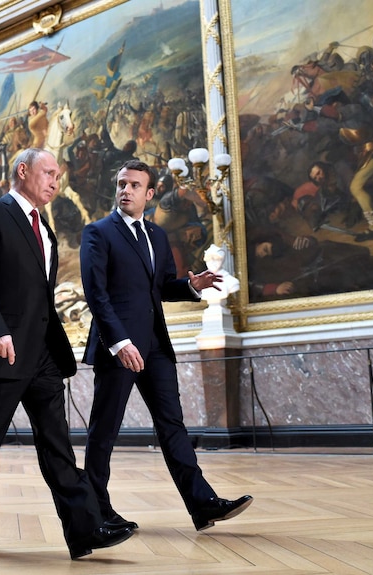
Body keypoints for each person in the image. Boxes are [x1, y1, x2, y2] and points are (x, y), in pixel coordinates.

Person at [0, 148, 134, 560]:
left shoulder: (46, 231)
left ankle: (85, 530)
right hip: (2, 352)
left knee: (58, 445)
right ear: (23, 171)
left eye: (58, 174)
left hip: (43, 356)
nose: (55, 180)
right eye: (48, 172)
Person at [80, 159, 253, 533]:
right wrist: (119, 342)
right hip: (119, 346)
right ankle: (95, 509)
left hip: (155, 344)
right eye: (121, 183)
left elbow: (160, 287)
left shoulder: (157, 235)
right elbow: (96, 294)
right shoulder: (98, 233)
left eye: (134, 185)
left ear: (150, 193)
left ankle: (202, 504)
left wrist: (194, 286)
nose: (125, 190)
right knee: (105, 429)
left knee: (172, 424)